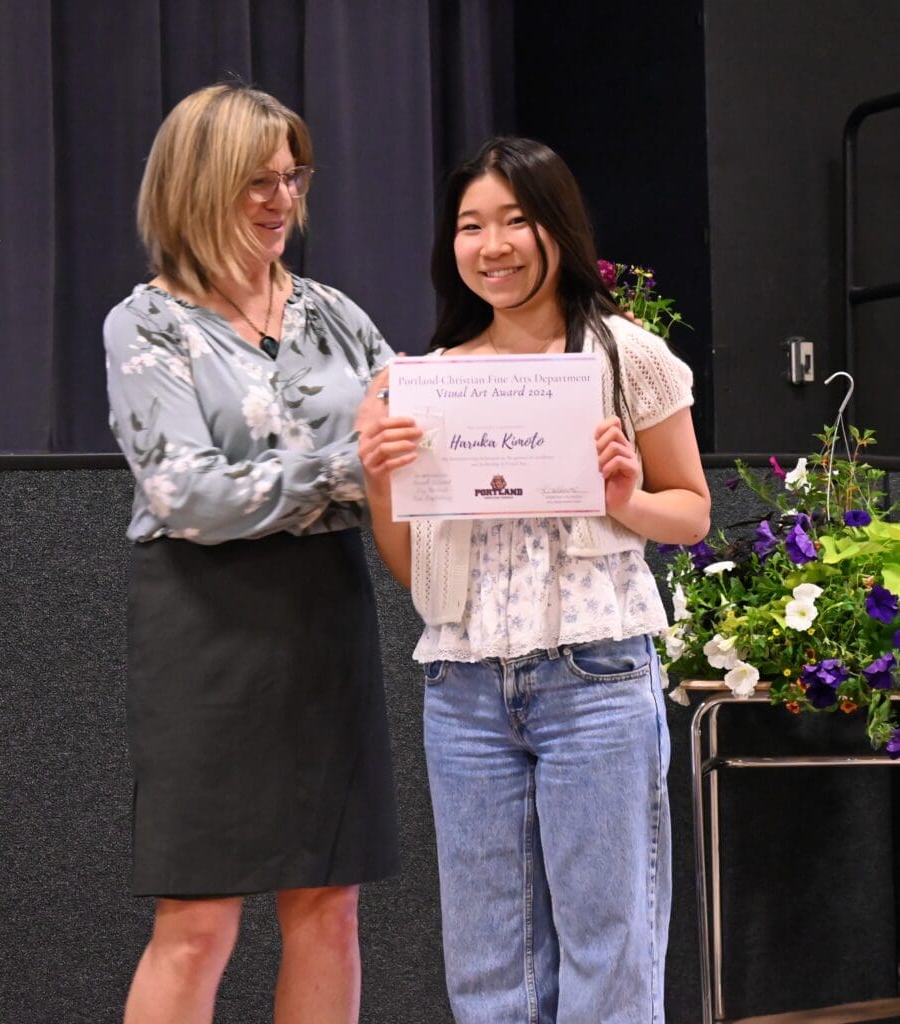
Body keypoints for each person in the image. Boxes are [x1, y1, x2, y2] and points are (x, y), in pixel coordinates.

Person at [357, 136, 710, 1024]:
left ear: (559, 228)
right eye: (472, 225)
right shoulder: (422, 383)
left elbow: (693, 511)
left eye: (516, 220)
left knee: (610, 940)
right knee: (488, 958)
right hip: (464, 688)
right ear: (452, 248)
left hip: (596, 678)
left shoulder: (627, 355)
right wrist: (378, 477)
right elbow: (416, 576)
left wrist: (626, 496)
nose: (495, 244)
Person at [103, 83, 398, 1024]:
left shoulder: (335, 314)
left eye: (290, 177)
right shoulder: (147, 324)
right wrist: (350, 468)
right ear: (195, 186)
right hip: (209, 619)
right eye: (253, 182)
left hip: (327, 612)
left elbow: (421, 426)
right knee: (197, 920)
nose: (280, 200)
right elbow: (185, 495)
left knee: (329, 904)